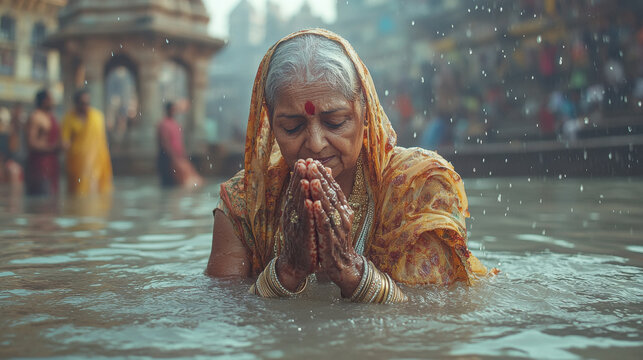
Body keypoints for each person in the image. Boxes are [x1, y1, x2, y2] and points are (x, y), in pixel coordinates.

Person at [205, 29, 496, 303]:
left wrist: (349, 268)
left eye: (335, 122)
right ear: (270, 123)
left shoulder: (419, 186)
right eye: (292, 127)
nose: (316, 143)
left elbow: (440, 314)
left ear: (365, 112)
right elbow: (224, 316)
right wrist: (287, 270)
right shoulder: (244, 203)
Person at [61, 89, 113, 195]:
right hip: (77, 163)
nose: (85, 106)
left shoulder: (98, 117)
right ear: (76, 104)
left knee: (95, 192)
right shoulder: (69, 118)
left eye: (87, 103)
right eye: (82, 103)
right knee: (79, 193)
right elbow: (65, 140)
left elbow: (102, 141)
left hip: (97, 162)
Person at [157, 101, 203, 188]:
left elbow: (179, 142)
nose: (174, 112)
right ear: (168, 110)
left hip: (178, 157)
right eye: (172, 110)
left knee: (186, 182)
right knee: (170, 185)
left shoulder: (176, 125)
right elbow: (165, 143)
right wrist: (173, 158)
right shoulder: (163, 124)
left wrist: (183, 157)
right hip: (167, 159)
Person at [24, 90, 61, 195]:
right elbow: (31, 143)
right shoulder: (36, 117)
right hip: (39, 166)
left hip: (52, 164)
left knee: (52, 202)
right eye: (51, 99)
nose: (53, 102)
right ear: (45, 101)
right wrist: (52, 148)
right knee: (41, 201)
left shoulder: (51, 117)